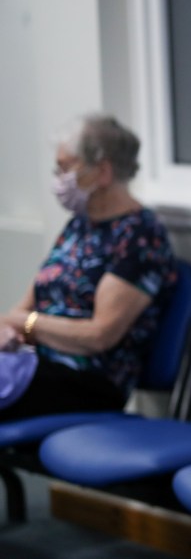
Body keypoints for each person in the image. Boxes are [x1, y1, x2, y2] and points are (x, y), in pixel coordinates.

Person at [0, 114, 177, 420]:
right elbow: (23, 308)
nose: (58, 178)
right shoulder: (79, 227)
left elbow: (99, 336)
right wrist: (10, 328)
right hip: (37, 363)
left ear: (103, 171)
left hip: (89, 381)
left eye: (65, 167)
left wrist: (28, 324)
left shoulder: (140, 236)